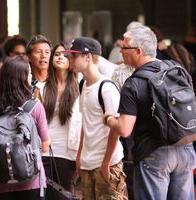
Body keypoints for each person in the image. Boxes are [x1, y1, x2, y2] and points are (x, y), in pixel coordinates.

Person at [104, 25, 196, 200]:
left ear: (138, 51)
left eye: (124, 47)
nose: (120, 51)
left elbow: (124, 129)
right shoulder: (176, 69)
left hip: (153, 154)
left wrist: (108, 118)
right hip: (185, 149)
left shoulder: (133, 83)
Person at [66, 36, 127, 200]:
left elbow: (116, 129)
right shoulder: (82, 85)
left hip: (107, 163)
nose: (70, 59)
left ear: (88, 57)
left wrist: (106, 163)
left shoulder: (106, 87)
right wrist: (80, 156)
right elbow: (85, 124)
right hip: (87, 163)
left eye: (74, 55)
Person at [0, 56, 50, 200]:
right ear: (23, 78)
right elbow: (45, 146)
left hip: (0, 182)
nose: (31, 76)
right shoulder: (34, 106)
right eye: (29, 73)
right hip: (31, 182)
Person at [41, 42, 82, 192]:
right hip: (45, 150)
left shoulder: (80, 87)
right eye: (57, 54)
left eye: (65, 55)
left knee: (64, 194)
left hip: (68, 151)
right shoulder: (42, 87)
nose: (60, 57)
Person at [26, 34, 52, 101]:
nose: (43, 56)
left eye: (47, 52)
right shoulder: (25, 83)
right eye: (38, 52)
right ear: (29, 57)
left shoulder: (57, 81)